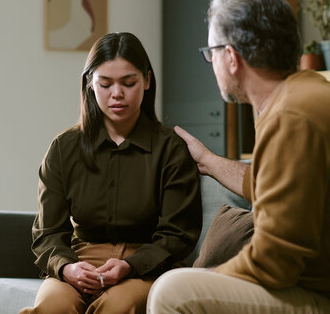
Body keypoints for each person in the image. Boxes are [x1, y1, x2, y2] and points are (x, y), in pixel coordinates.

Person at [147, 0, 330, 314]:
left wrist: (207, 277)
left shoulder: (292, 117)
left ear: (231, 57)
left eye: (211, 52)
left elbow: (273, 263)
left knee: (173, 292)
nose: (211, 63)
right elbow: (270, 185)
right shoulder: (304, 95)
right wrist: (207, 161)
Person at [19, 32, 202, 314]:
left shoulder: (171, 149)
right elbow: (48, 233)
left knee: (118, 306)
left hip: (149, 265)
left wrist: (131, 265)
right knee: (53, 305)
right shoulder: (63, 148)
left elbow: (179, 234)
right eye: (105, 84)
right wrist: (66, 267)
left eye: (129, 83)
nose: (117, 93)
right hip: (81, 260)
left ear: (147, 81)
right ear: (90, 84)